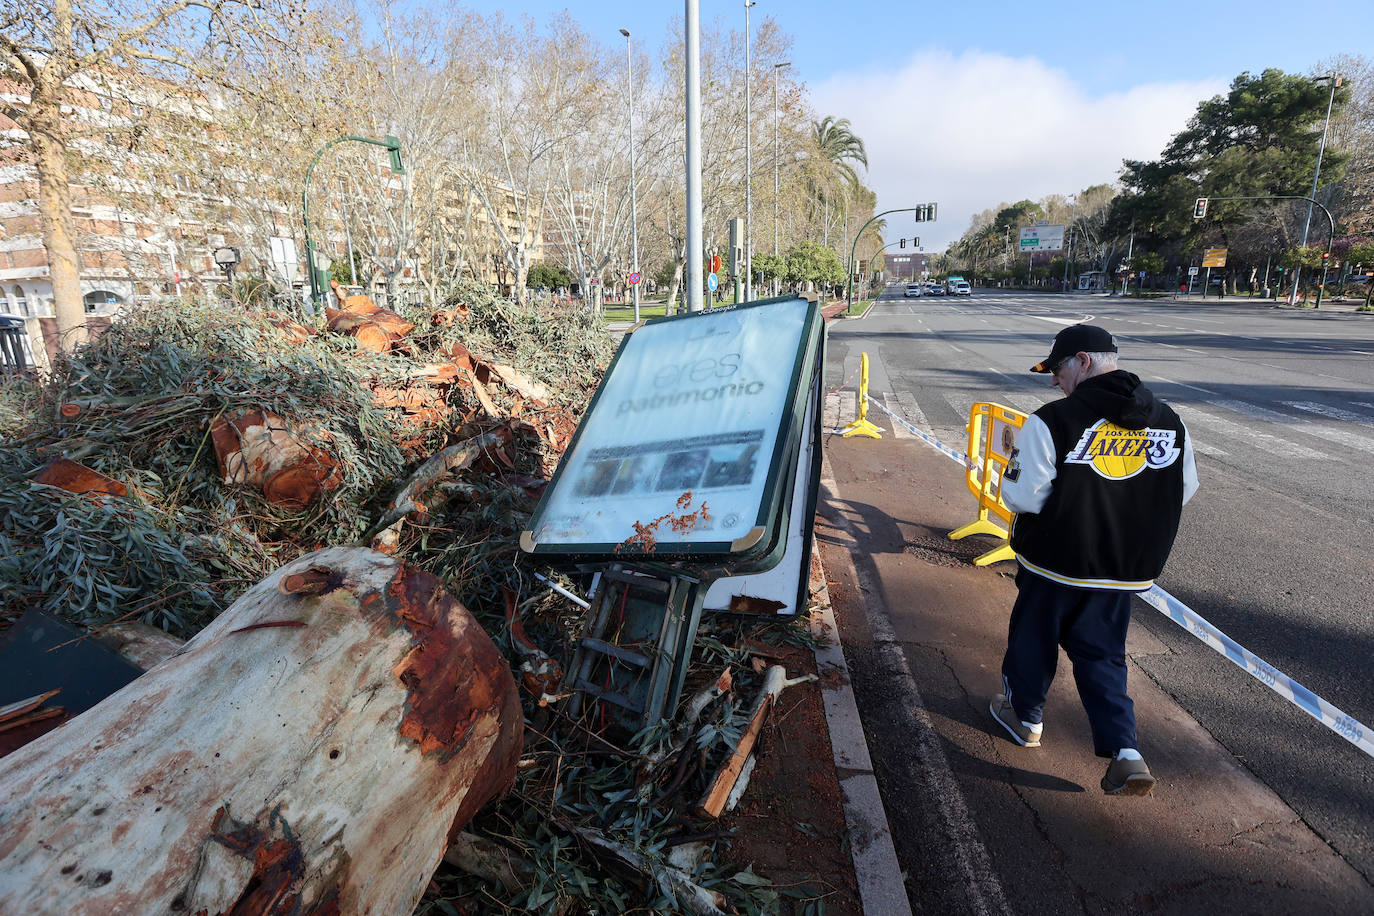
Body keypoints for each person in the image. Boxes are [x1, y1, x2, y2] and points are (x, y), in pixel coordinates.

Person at [991, 324, 1198, 796]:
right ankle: (1126, 752)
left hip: (1055, 564)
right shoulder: (1170, 421)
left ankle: (1025, 719)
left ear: (1083, 361)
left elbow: (1024, 496)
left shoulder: (1053, 421)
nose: (1052, 382)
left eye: (1057, 370)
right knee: (1103, 655)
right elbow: (1181, 491)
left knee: (1032, 641)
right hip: (1122, 572)